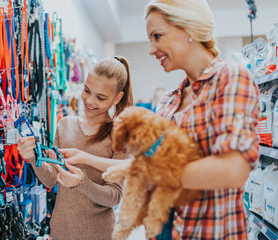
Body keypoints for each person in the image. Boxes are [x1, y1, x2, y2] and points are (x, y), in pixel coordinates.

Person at [63, 0, 260, 239]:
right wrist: (86, 159)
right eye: (150, 40)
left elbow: (233, 169)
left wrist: (156, 173)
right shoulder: (169, 100)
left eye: (157, 36)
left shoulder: (230, 78)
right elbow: (141, 165)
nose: (151, 49)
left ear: (189, 29)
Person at [17, 56, 133, 240]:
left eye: (101, 97)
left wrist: (82, 183)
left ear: (118, 97)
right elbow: (51, 180)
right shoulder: (65, 125)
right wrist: (32, 157)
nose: (90, 101)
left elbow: (114, 197)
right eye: (87, 90)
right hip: (60, 232)